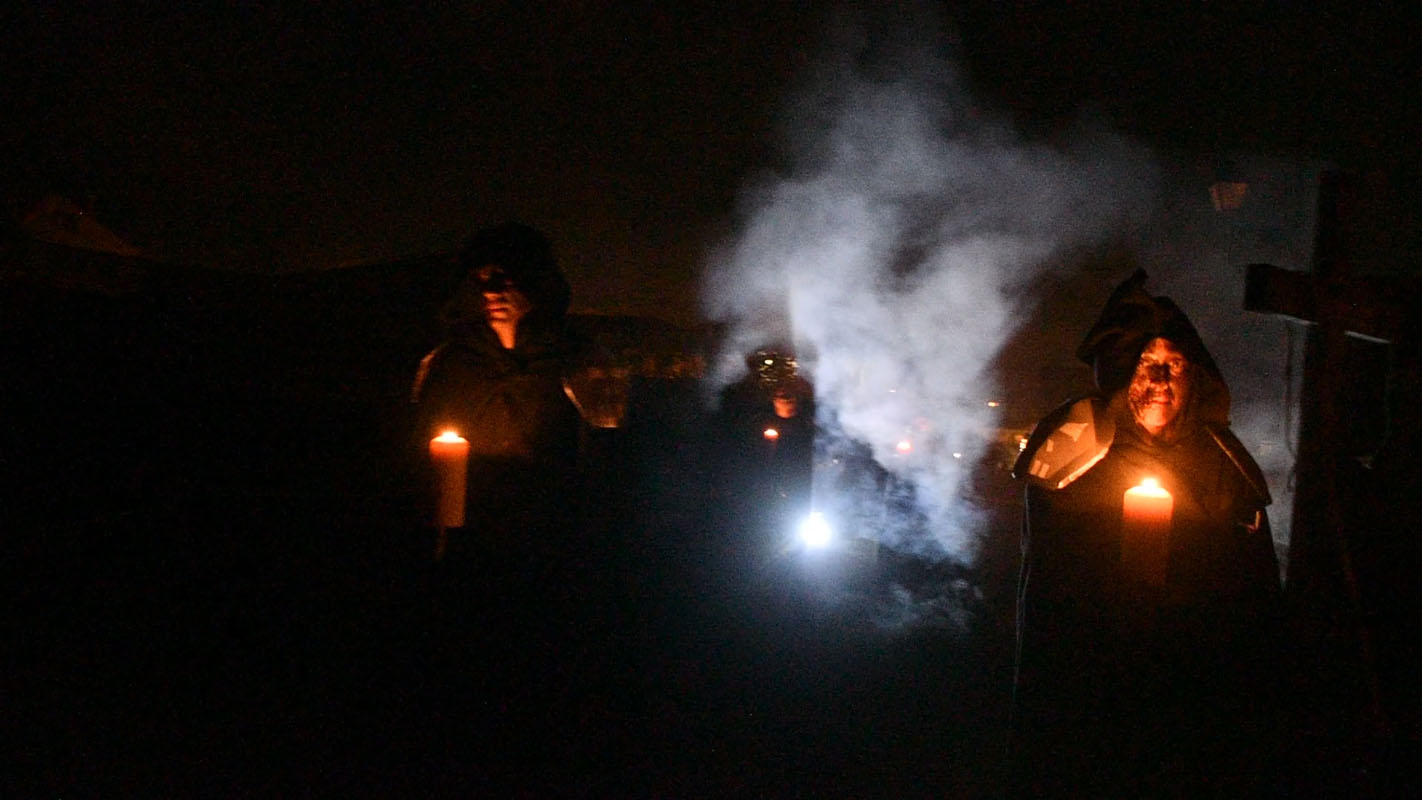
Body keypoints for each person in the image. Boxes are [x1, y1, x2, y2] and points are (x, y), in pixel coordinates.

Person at [1008, 270, 1283, 798]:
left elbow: (1253, 592)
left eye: (1174, 365)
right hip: (1096, 685)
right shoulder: (1075, 452)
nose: (1159, 380)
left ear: (1195, 377)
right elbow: (1051, 582)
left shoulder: (1223, 464)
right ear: (1118, 374)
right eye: (1145, 365)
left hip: (1197, 687)